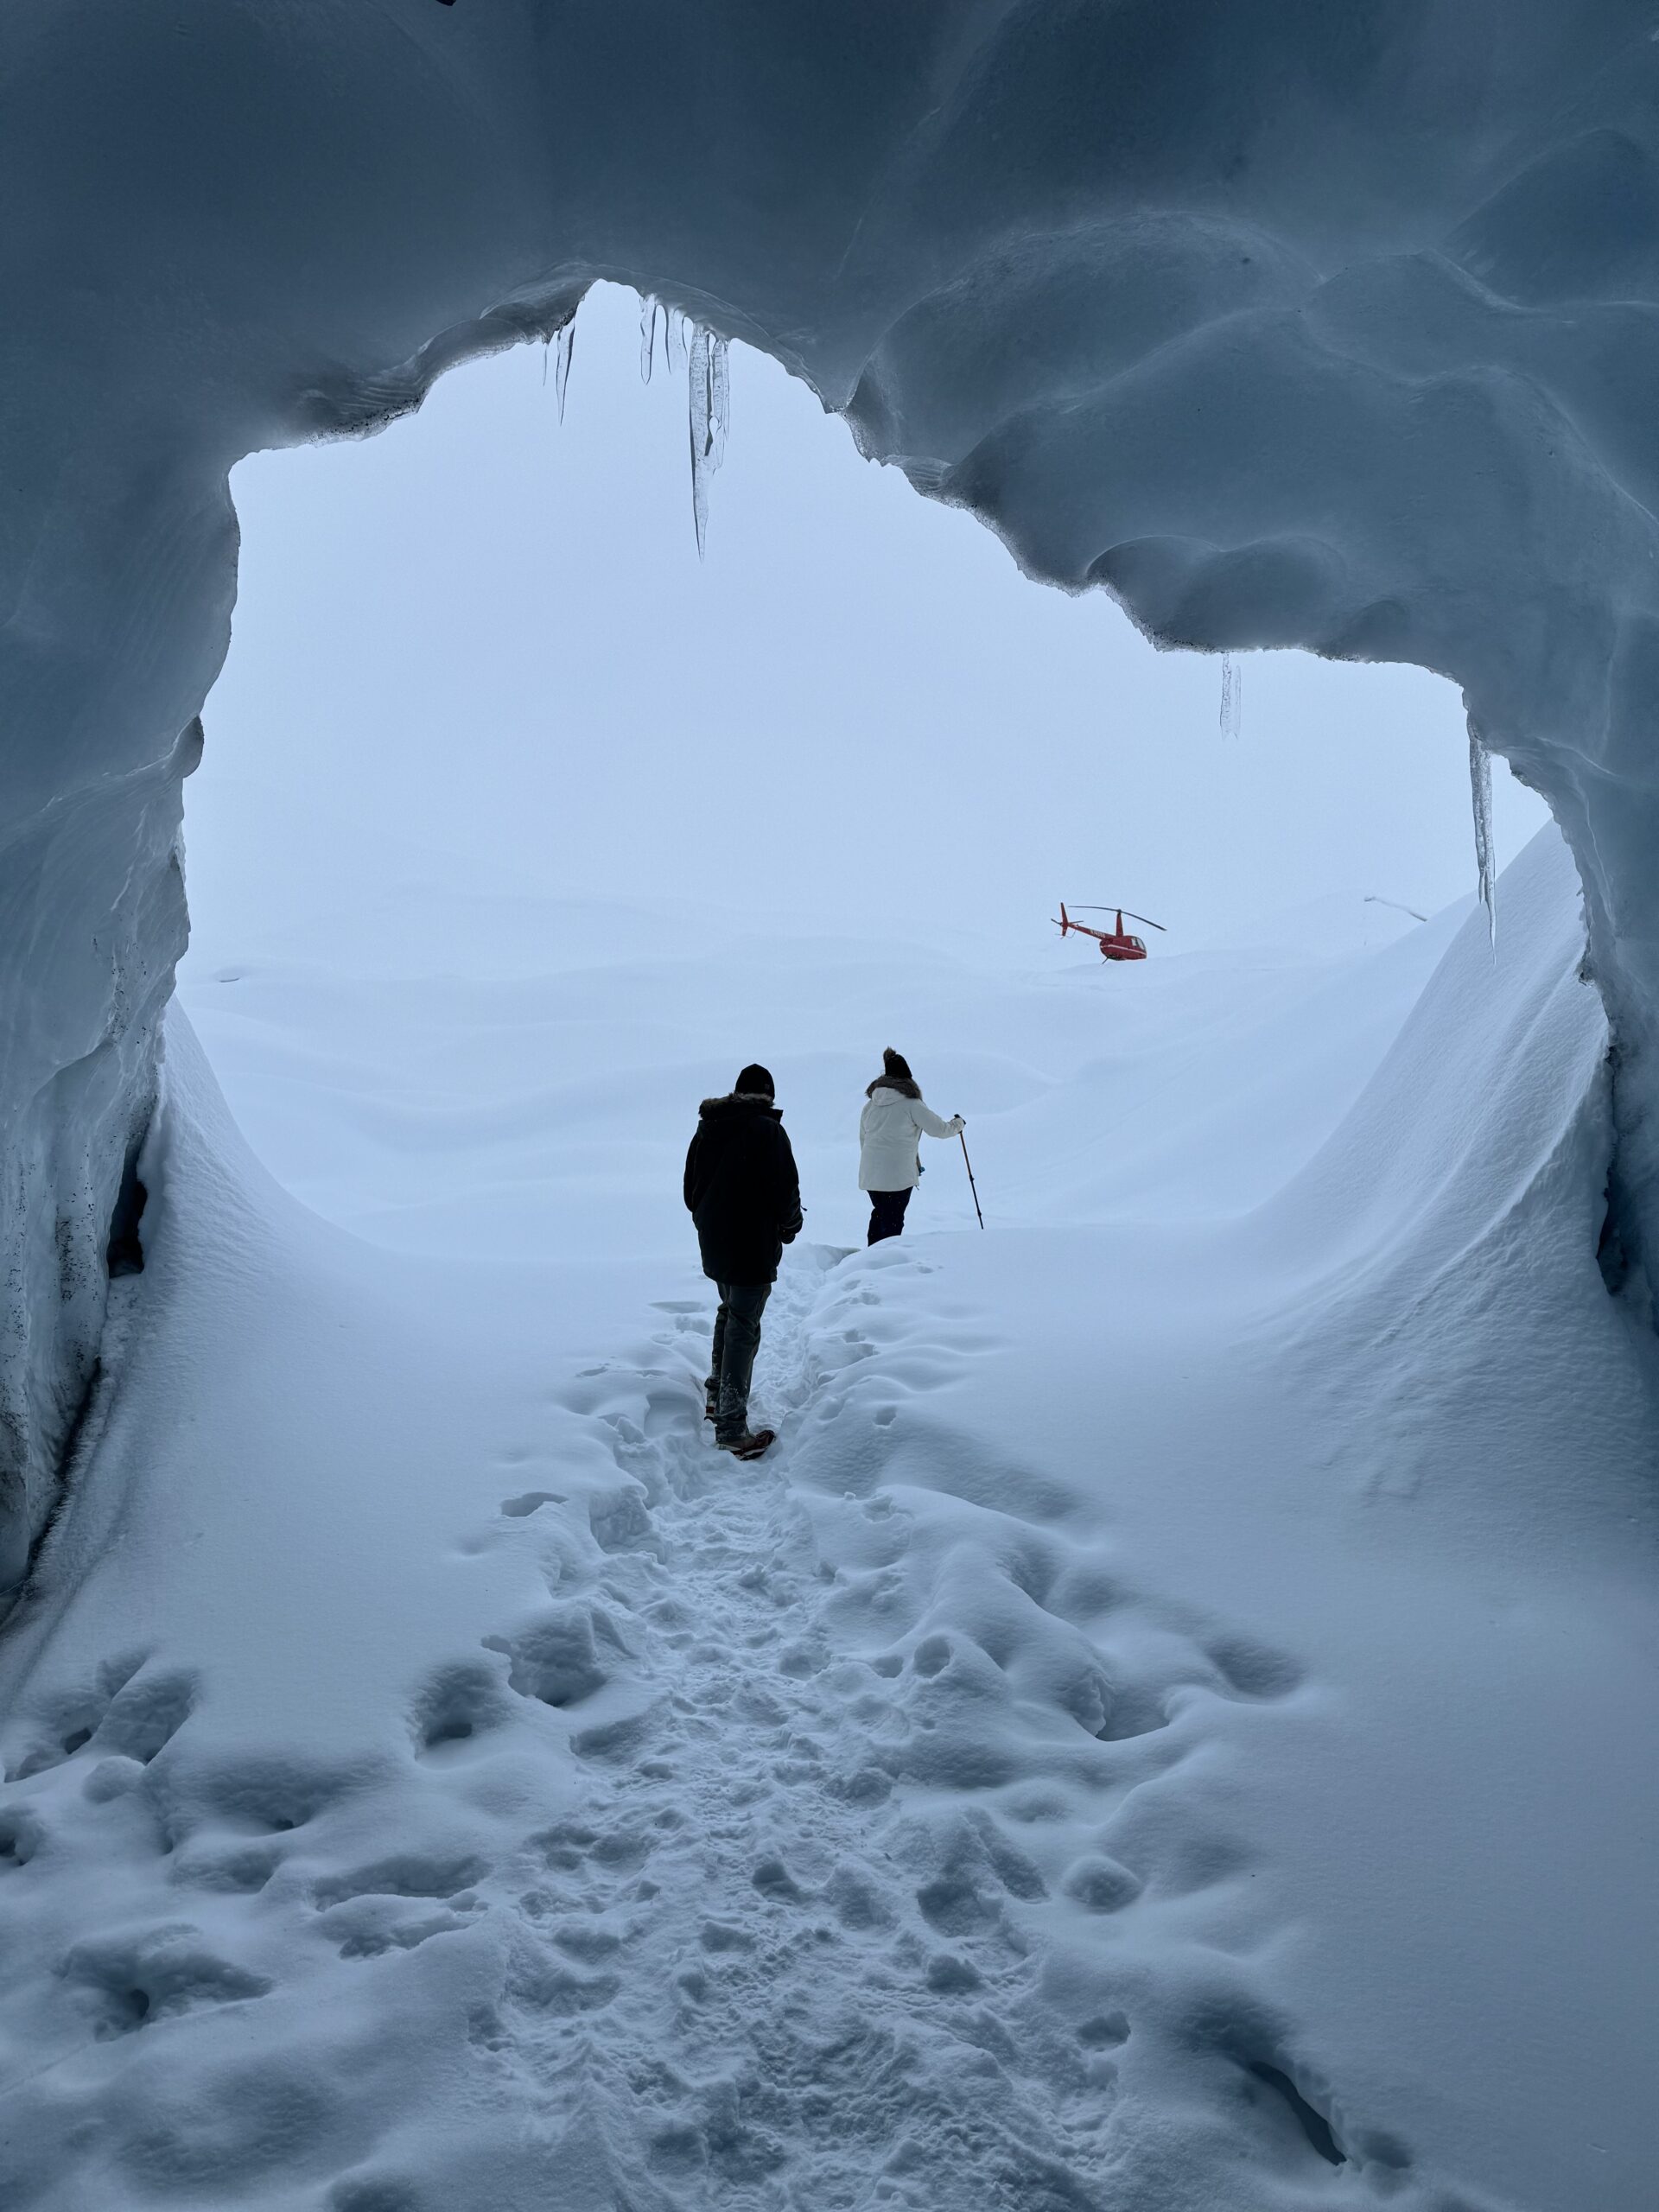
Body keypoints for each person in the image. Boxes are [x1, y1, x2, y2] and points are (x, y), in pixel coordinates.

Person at [683, 1063, 802, 1459]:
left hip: (715, 1243)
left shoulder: (708, 1128)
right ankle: (732, 1428)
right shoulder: (769, 1131)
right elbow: (787, 1190)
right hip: (751, 1245)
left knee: (729, 1311)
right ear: (769, 1096)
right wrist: (789, 1226)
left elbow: (689, 1191)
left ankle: (717, 1397)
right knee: (743, 1327)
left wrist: (709, 1220)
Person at [859, 1048, 964, 1244]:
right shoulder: (912, 1104)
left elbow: (863, 1138)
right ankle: (883, 1262)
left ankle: (871, 1257)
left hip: (871, 1174)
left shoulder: (870, 1105)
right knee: (892, 1220)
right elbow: (940, 1130)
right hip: (898, 1176)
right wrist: (959, 1125)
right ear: (907, 1079)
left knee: (880, 1214)